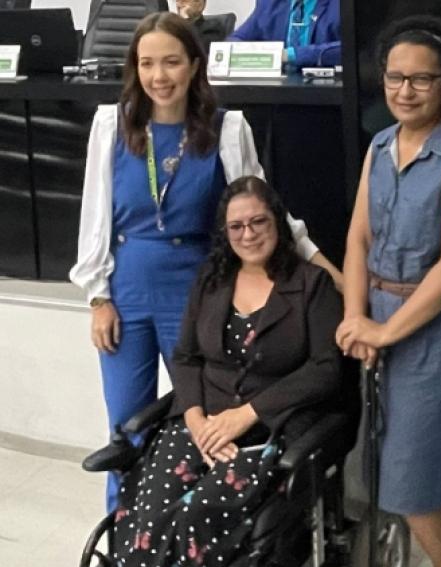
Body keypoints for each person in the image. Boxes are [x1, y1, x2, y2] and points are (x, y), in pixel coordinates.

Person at [69, 11, 340, 511]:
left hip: (198, 295)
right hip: (126, 292)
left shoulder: (227, 128)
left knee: (202, 419)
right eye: (147, 64)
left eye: (171, 62)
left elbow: (266, 212)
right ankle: (126, 530)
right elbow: (94, 216)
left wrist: (334, 275)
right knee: (125, 428)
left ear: (195, 65)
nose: (159, 76)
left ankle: (191, 527)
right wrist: (97, 298)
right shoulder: (111, 124)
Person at [109, 175, 343, 567]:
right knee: (148, 513)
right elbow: (186, 357)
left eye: (259, 222)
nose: (248, 235)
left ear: (277, 222)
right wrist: (196, 421)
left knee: (195, 516)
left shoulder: (311, 284)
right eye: (237, 226)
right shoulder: (212, 280)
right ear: (225, 232)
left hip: (269, 430)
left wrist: (247, 414)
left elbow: (327, 369)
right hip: (201, 422)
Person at [335, 16, 441, 567]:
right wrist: (355, 317)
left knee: (411, 472)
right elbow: (357, 239)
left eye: (421, 79)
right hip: (377, 317)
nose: (405, 91)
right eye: (394, 78)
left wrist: (384, 332)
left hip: (437, 329)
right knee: (423, 464)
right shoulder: (380, 144)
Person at [228, 0, 341, 68]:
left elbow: (348, 49)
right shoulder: (269, 3)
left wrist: (290, 55)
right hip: (276, 92)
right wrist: (259, 54)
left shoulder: (341, 5)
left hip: (326, 92)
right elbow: (235, 41)